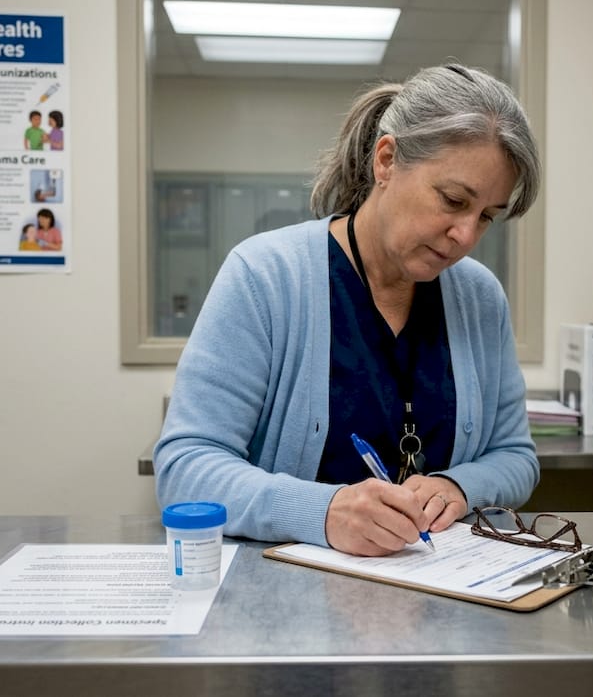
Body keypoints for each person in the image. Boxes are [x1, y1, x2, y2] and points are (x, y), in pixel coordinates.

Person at [154, 63, 541, 557]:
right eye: (452, 200)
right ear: (386, 161)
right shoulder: (265, 276)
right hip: (282, 607)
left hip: (440, 591)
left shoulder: (480, 298)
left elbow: (515, 457)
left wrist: (459, 487)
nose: (466, 236)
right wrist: (323, 510)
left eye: (486, 216)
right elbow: (185, 467)